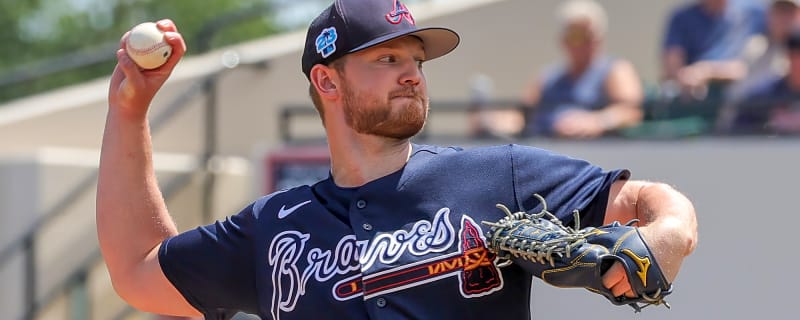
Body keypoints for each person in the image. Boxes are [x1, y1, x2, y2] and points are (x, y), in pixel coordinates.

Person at [96, 0, 698, 319]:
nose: (412, 73)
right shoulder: (273, 229)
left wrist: (667, 235)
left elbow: (651, 202)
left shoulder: (497, 175)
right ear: (327, 83)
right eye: (386, 61)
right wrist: (129, 114)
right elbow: (138, 273)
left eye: (416, 60)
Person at [518, 0, 644, 139]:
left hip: (593, 150)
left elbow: (631, 112)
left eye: (589, 36)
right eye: (576, 36)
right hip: (547, 147)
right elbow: (523, 113)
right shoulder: (547, 76)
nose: (585, 44)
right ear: (563, 40)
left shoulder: (615, 70)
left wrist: (598, 122)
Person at [661, 0, 767, 100]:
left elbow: (747, 68)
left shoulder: (754, 13)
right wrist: (687, 77)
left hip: (741, 100)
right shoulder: (681, 18)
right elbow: (673, 67)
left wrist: (706, 71)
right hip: (694, 99)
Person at [721, 26, 800, 134]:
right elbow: (738, 131)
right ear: (789, 56)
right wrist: (768, 127)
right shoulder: (765, 95)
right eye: (797, 56)